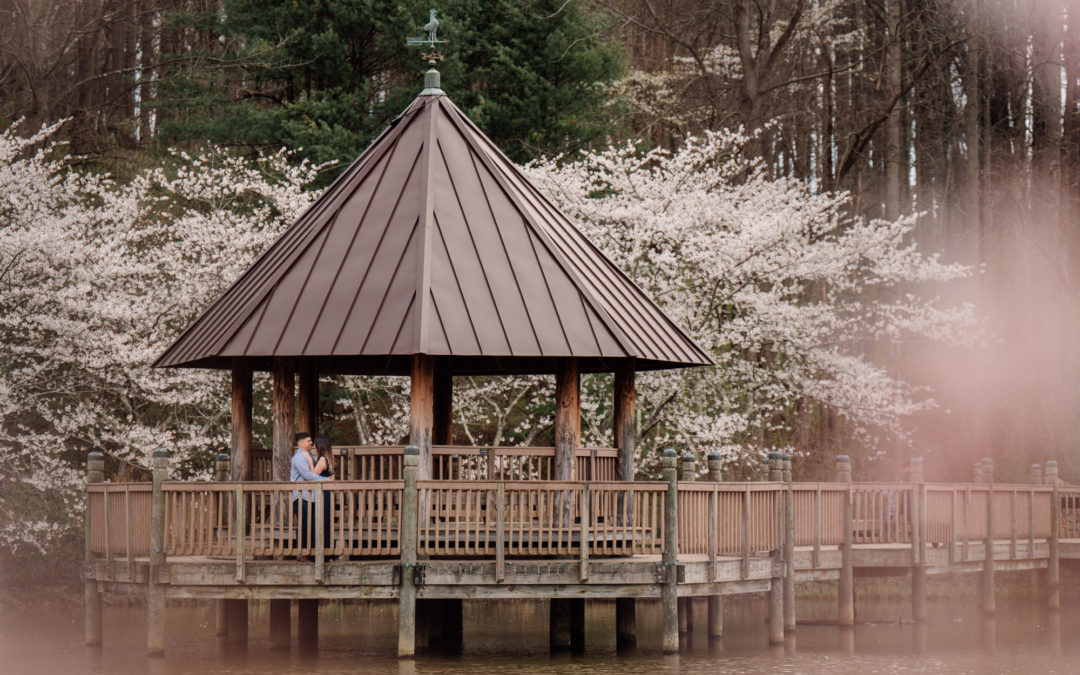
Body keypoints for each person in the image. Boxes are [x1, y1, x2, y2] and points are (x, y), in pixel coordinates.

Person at [291, 432, 328, 561]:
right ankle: (301, 554)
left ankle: (310, 552)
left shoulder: (308, 455)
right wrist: (326, 480)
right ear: (300, 443)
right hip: (302, 496)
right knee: (304, 526)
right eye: (308, 441)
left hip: (310, 496)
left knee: (311, 526)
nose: (311, 443)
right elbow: (307, 475)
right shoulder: (299, 458)